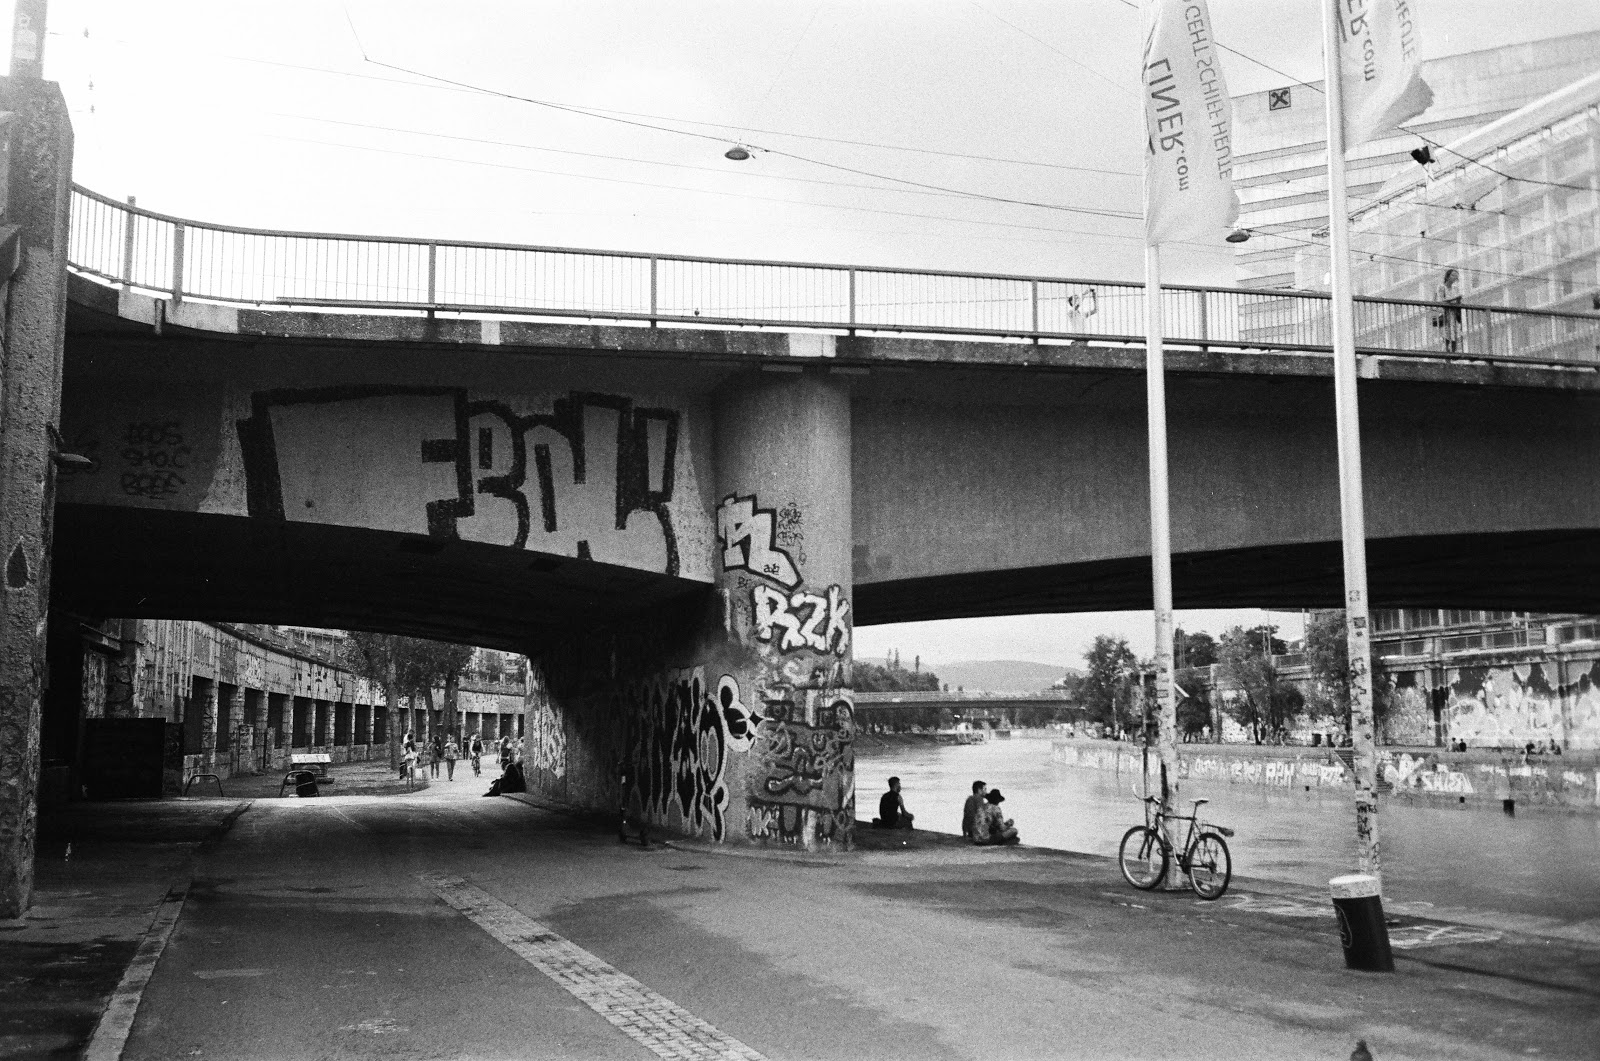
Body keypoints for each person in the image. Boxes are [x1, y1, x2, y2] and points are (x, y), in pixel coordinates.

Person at [1434, 268, 1463, 353]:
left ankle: (1453, 353)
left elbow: (1456, 302)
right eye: (1453, 275)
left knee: (1455, 334)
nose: (1455, 278)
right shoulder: (1441, 287)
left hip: (1453, 314)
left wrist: (1458, 301)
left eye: (1456, 276)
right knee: (1446, 335)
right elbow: (1440, 300)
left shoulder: (1455, 288)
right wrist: (1455, 298)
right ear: (1448, 276)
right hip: (1445, 313)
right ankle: (1446, 355)